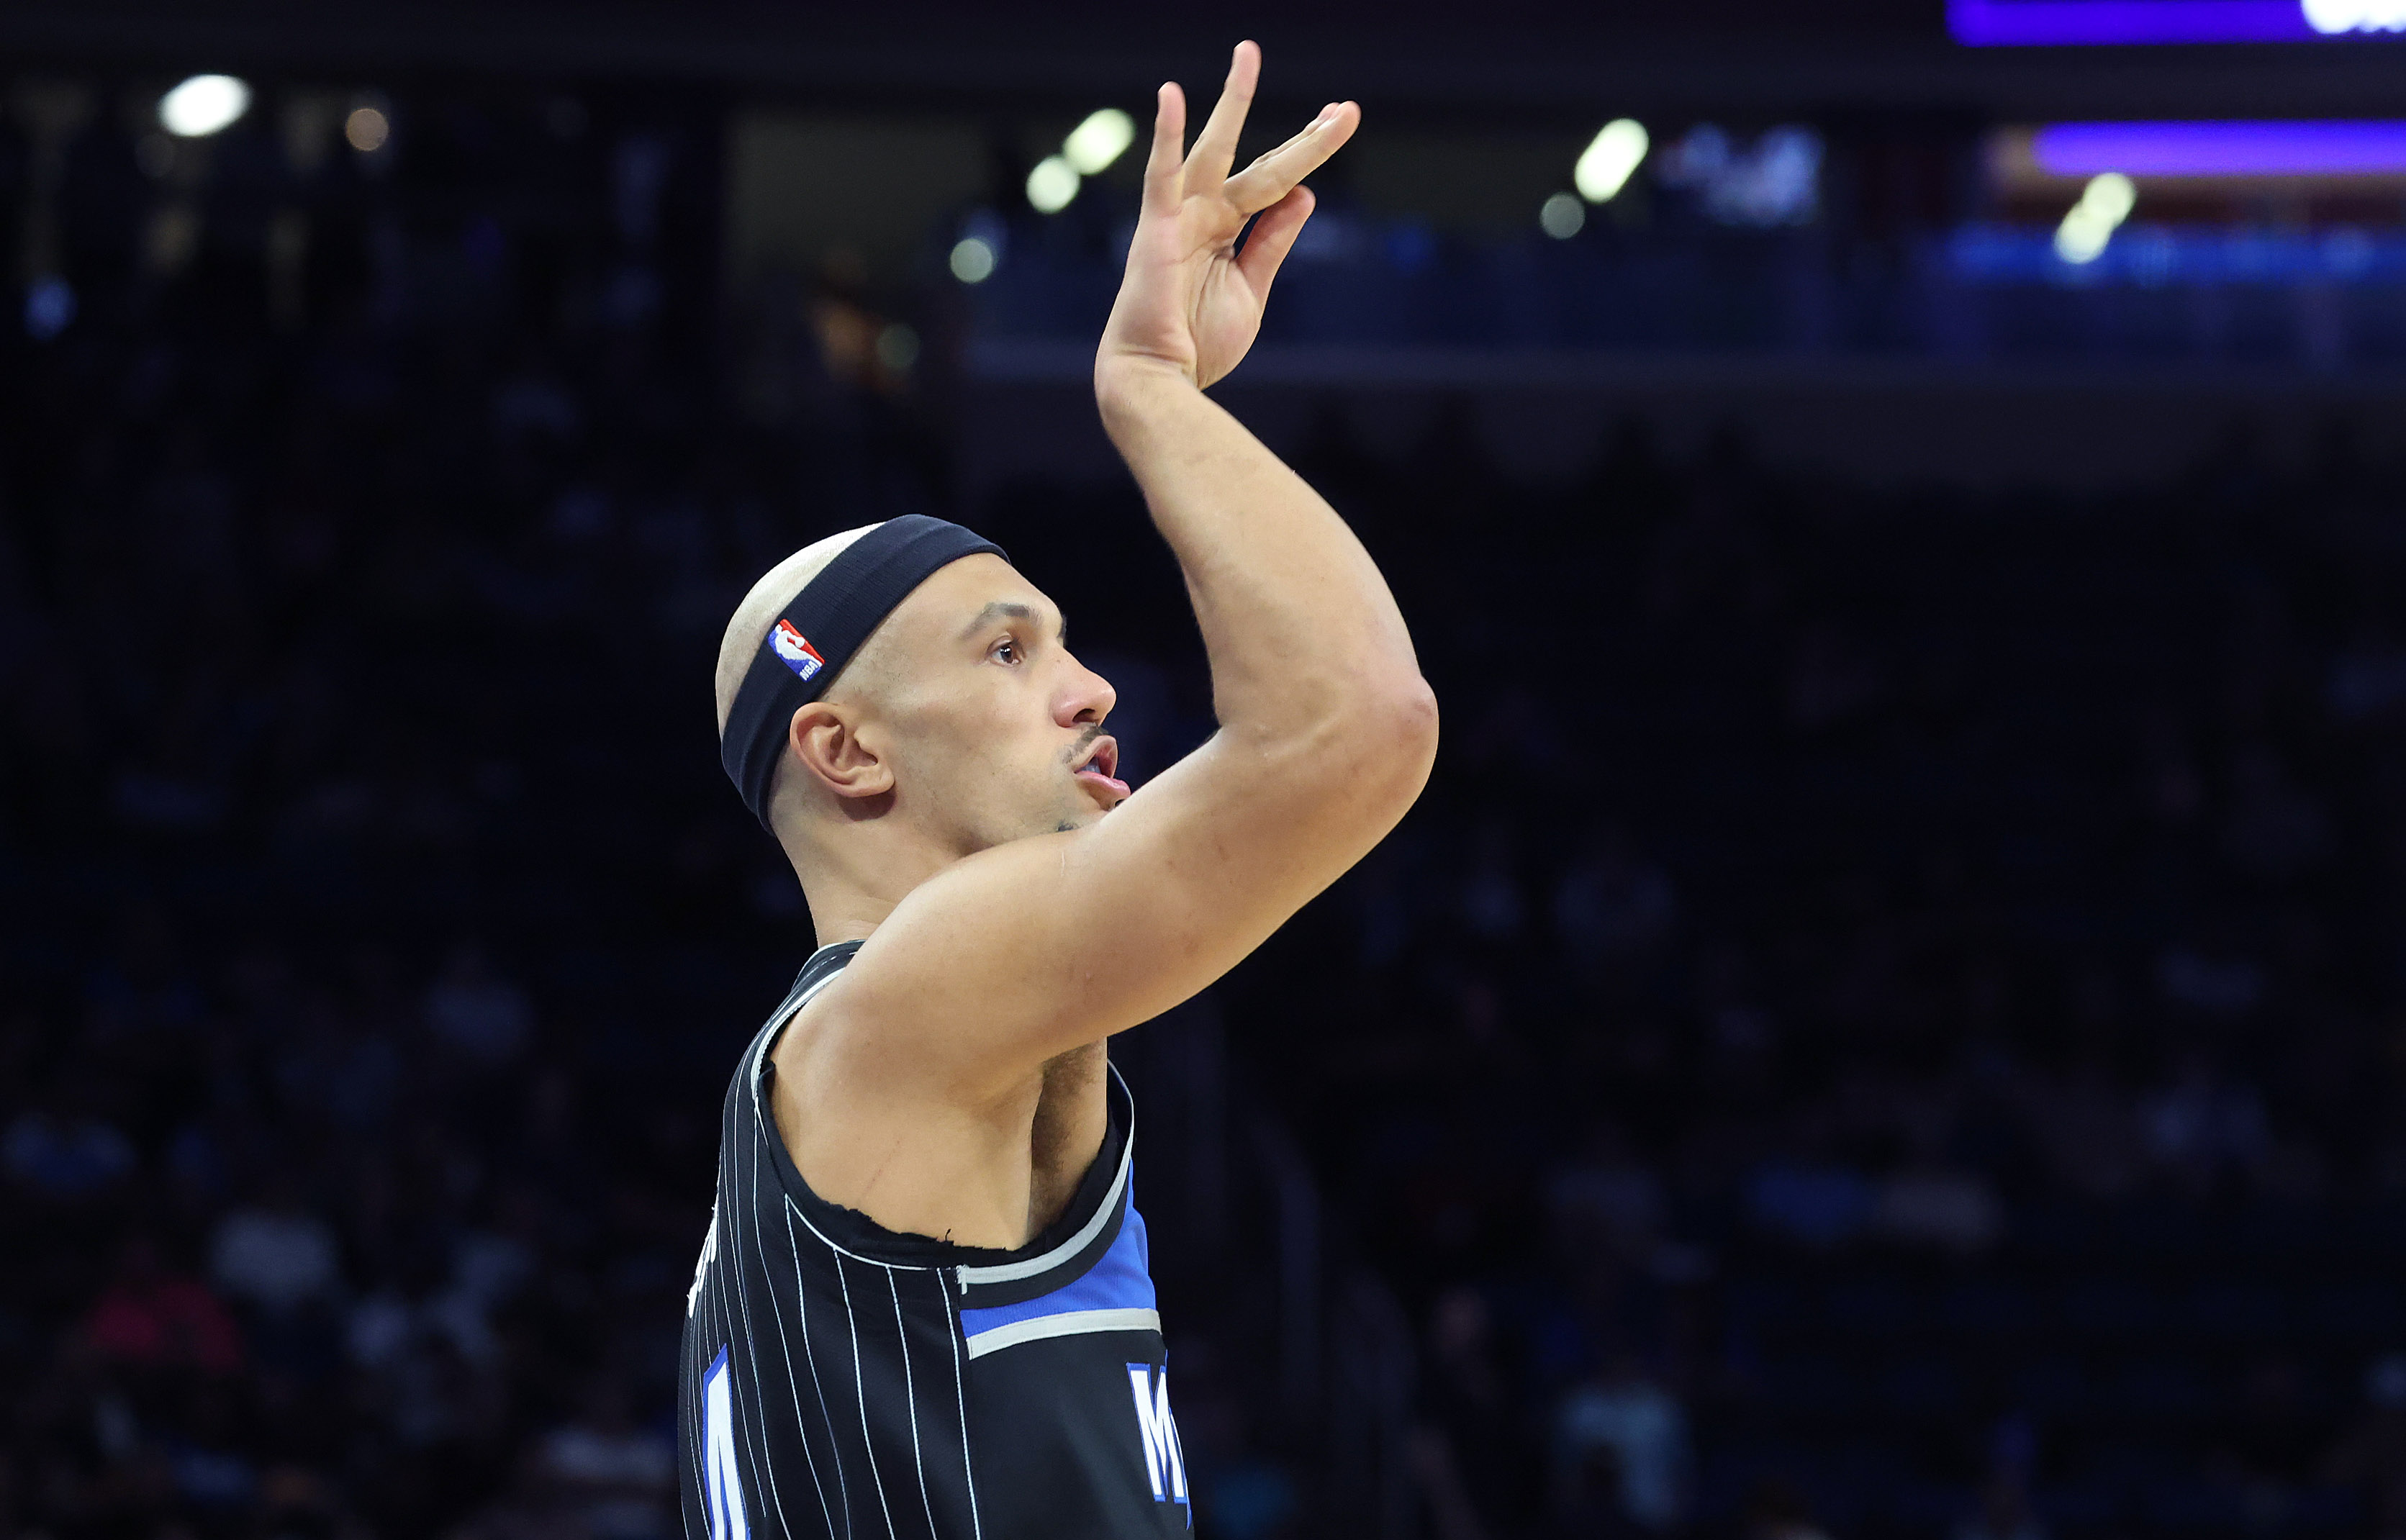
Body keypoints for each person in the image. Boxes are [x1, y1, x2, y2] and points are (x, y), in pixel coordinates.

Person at [677, 41, 1437, 1540]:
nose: (1090, 689)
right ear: (848, 750)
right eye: (1010, 648)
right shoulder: (893, 1009)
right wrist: (1152, 391)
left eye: (1070, 643)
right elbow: (1357, 723)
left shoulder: (932, 1067)